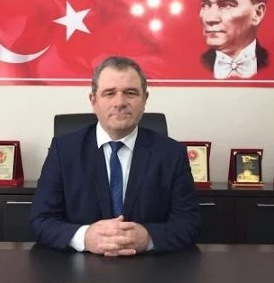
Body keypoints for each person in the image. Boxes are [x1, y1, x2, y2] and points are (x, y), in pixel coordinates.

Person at [30, 56, 201, 256]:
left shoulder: (172, 154)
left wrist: (148, 238)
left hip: (149, 266)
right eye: (109, 93)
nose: (120, 102)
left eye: (130, 93)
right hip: (80, 265)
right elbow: (41, 220)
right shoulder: (63, 150)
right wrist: (85, 237)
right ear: (93, 100)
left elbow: (189, 223)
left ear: (145, 99)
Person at [199, 0, 269, 79]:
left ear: (257, 13)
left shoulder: (272, 61)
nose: (210, 18)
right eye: (205, 5)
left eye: (227, 5)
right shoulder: (191, 64)